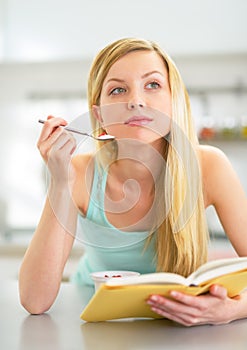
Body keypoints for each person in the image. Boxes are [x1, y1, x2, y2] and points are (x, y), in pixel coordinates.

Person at [19, 37, 247, 326]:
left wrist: (232, 310)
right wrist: (60, 182)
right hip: (99, 323)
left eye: (152, 85)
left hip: (180, 325)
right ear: (99, 115)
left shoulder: (210, 166)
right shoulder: (78, 172)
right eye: (118, 90)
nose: (136, 100)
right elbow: (34, 301)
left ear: (173, 100)